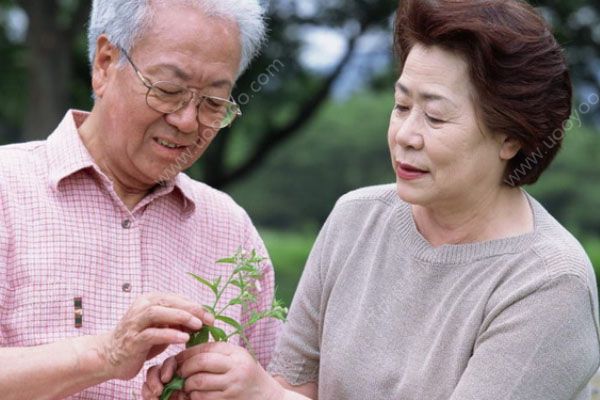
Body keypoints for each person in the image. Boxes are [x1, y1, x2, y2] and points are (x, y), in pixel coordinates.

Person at [144, 0, 600, 399]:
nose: (405, 135)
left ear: (511, 138)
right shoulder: (355, 219)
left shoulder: (549, 283)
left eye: (436, 117)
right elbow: (294, 384)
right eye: (401, 107)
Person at [0, 0, 280, 399]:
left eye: (213, 104)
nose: (187, 121)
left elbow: (274, 384)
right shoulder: (7, 192)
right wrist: (104, 354)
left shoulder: (230, 228)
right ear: (104, 64)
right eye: (167, 90)